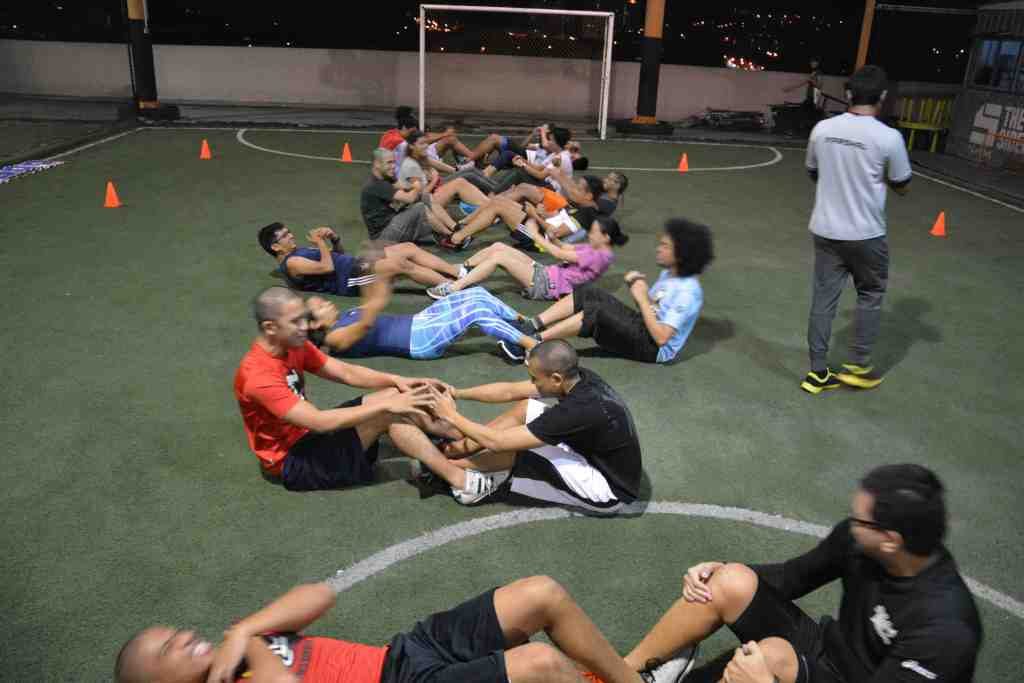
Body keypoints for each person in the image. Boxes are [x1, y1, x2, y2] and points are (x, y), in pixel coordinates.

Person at [618, 463, 982, 683]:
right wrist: (718, 571)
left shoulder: (945, 631)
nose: (852, 523)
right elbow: (792, 577)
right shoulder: (860, 541)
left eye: (861, 519)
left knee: (772, 658)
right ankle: (621, 673)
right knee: (728, 583)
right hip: (830, 650)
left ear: (890, 540)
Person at [114, 574, 696, 683]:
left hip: (401, 656)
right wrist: (254, 646)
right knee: (541, 666)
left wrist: (245, 628)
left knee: (539, 594)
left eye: (173, 631)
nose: (184, 635)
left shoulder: (239, 646)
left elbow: (319, 594)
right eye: (169, 647)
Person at [232, 286, 503, 501]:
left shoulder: (293, 344)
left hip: (310, 437)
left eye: (304, 318)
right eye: (295, 322)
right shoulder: (258, 376)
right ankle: (460, 481)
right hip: (294, 462)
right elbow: (317, 421)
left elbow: (345, 372)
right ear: (270, 327)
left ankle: (471, 441)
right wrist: (391, 405)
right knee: (388, 412)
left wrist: (400, 380)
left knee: (395, 395)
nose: (305, 327)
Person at [429, 339, 643, 514]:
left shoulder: (577, 410)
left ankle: (445, 465)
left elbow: (498, 442)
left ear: (556, 378)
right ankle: (454, 451)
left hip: (609, 491)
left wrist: (451, 416)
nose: (532, 383)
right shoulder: (579, 377)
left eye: (534, 379)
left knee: (523, 448)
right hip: (593, 455)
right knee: (525, 408)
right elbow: (511, 391)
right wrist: (456, 393)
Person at [799, 65, 911, 395]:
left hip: (826, 231)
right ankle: (857, 367)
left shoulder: (822, 129)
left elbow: (813, 172)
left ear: (848, 94)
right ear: (883, 97)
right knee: (870, 297)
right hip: (867, 234)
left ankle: (817, 372)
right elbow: (903, 184)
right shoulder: (889, 137)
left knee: (823, 300)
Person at [511, 218, 713, 364]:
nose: (659, 248)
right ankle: (533, 324)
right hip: (644, 326)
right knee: (589, 292)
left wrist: (642, 298)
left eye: (665, 246)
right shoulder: (669, 274)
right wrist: (637, 289)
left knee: (598, 313)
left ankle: (535, 342)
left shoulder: (687, 292)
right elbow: (652, 310)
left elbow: (661, 338)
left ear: (681, 254)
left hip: (653, 349)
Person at [306, 277, 534, 360]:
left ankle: (522, 322)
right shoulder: (334, 338)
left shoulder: (346, 315)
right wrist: (377, 297)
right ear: (316, 323)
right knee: (474, 312)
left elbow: (369, 303)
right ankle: (533, 345)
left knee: (474, 293)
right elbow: (365, 324)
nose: (327, 303)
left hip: (419, 321)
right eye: (321, 306)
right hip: (419, 341)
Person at [426, 215, 626, 307]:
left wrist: (535, 234)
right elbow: (564, 247)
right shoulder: (596, 248)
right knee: (499, 246)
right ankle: (463, 270)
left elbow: (559, 254)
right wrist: (548, 232)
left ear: (606, 237)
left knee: (500, 257)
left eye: (593, 233)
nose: (590, 235)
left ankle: (454, 288)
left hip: (547, 285)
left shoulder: (599, 256)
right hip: (546, 274)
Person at [258, 222, 465, 291]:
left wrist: (334, 239)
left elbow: (337, 257)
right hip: (351, 280)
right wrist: (320, 243)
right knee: (400, 264)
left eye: (288, 232)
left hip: (353, 265)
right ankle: (452, 288)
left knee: (407, 248)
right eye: (285, 236)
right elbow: (327, 268)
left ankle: (457, 272)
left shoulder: (296, 253)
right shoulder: (292, 263)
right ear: (276, 247)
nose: (291, 235)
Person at [359, 148, 454, 245]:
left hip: (391, 222)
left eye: (394, 162)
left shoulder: (386, 177)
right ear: (377, 164)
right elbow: (409, 198)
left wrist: (415, 186)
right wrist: (420, 184)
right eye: (389, 163)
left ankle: (454, 227)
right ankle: (450, 236)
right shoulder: (376, 184)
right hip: (382, 236)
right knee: (419, 208)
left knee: (425, 196)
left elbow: (404, 187)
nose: (393, 166)